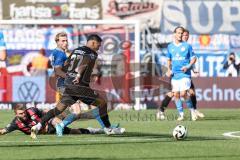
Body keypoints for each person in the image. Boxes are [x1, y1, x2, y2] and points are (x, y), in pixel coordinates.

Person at [30, 34, 125, 139]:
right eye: (99, 45)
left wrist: (69, 77)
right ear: (93, 43)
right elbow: (83, 64)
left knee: (58, 109)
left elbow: (67, 64)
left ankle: (38, 125)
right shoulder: (92, 53)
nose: (99, 47)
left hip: (69, 85)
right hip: (79, 86)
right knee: (102, 103)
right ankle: (108, 128)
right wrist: (79, 74)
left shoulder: (76, 50)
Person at [50, 32, 118, 137]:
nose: (66, 42)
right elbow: (60, 70)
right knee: (78, 110)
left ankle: (107, 127)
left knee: (96, 105)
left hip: (75, 83)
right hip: (66, 84)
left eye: (66, 40)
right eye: (63, 40)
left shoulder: (70, 52)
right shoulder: (59, 54)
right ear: (57, 42)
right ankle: (56, 124)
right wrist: (74, 76)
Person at [156, 29, 204, 120]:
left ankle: (193, 110)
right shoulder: (171, 46)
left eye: (185, 35)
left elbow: (192, 59)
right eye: (181, 34)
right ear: (175, 34)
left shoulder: (187, 46)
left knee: (185, 93)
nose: (183, 36)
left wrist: (192, 68)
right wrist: (169, 69)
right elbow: (169, 59)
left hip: (185, 74)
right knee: (174, 93)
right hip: (175, 74)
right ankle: (165, 112)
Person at [0, 104, 103, 136]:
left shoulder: (32, 110)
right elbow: (3, 131)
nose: (24, 115)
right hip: (48, 132)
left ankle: (61, 124)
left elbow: (47, 113)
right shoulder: (15, 123)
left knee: (54, 120)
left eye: (24, 112)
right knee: (74, 132)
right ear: (16, 114)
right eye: (21, 114)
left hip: (49, 123)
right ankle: (96, 130)